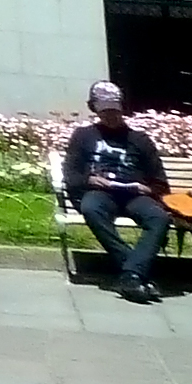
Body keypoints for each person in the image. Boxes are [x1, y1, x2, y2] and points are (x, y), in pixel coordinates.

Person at [63, 79, 171, 304]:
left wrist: (147, 188)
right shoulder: (83, 136)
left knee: (158, 216)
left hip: (135, 194)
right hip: (100, 192)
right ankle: (134, 272)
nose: (110, 117)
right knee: (91, 208)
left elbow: (161, 183)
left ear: (121, 111)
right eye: (105, 112)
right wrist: (90, 179)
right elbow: (71, 176)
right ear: (96, 111)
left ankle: (130, 275)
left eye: (114, 112)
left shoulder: (139, 140)